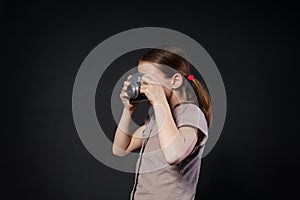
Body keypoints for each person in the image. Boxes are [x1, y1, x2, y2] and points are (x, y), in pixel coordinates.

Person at [112, 46, 212, 200]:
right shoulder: (157, 117)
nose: (143, 85)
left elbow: (173, 155)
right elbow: (120, 149)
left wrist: (159, 101)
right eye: (141, 78)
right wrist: (128, 110)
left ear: (175, 81)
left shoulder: (191, 114)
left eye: (148, 79)